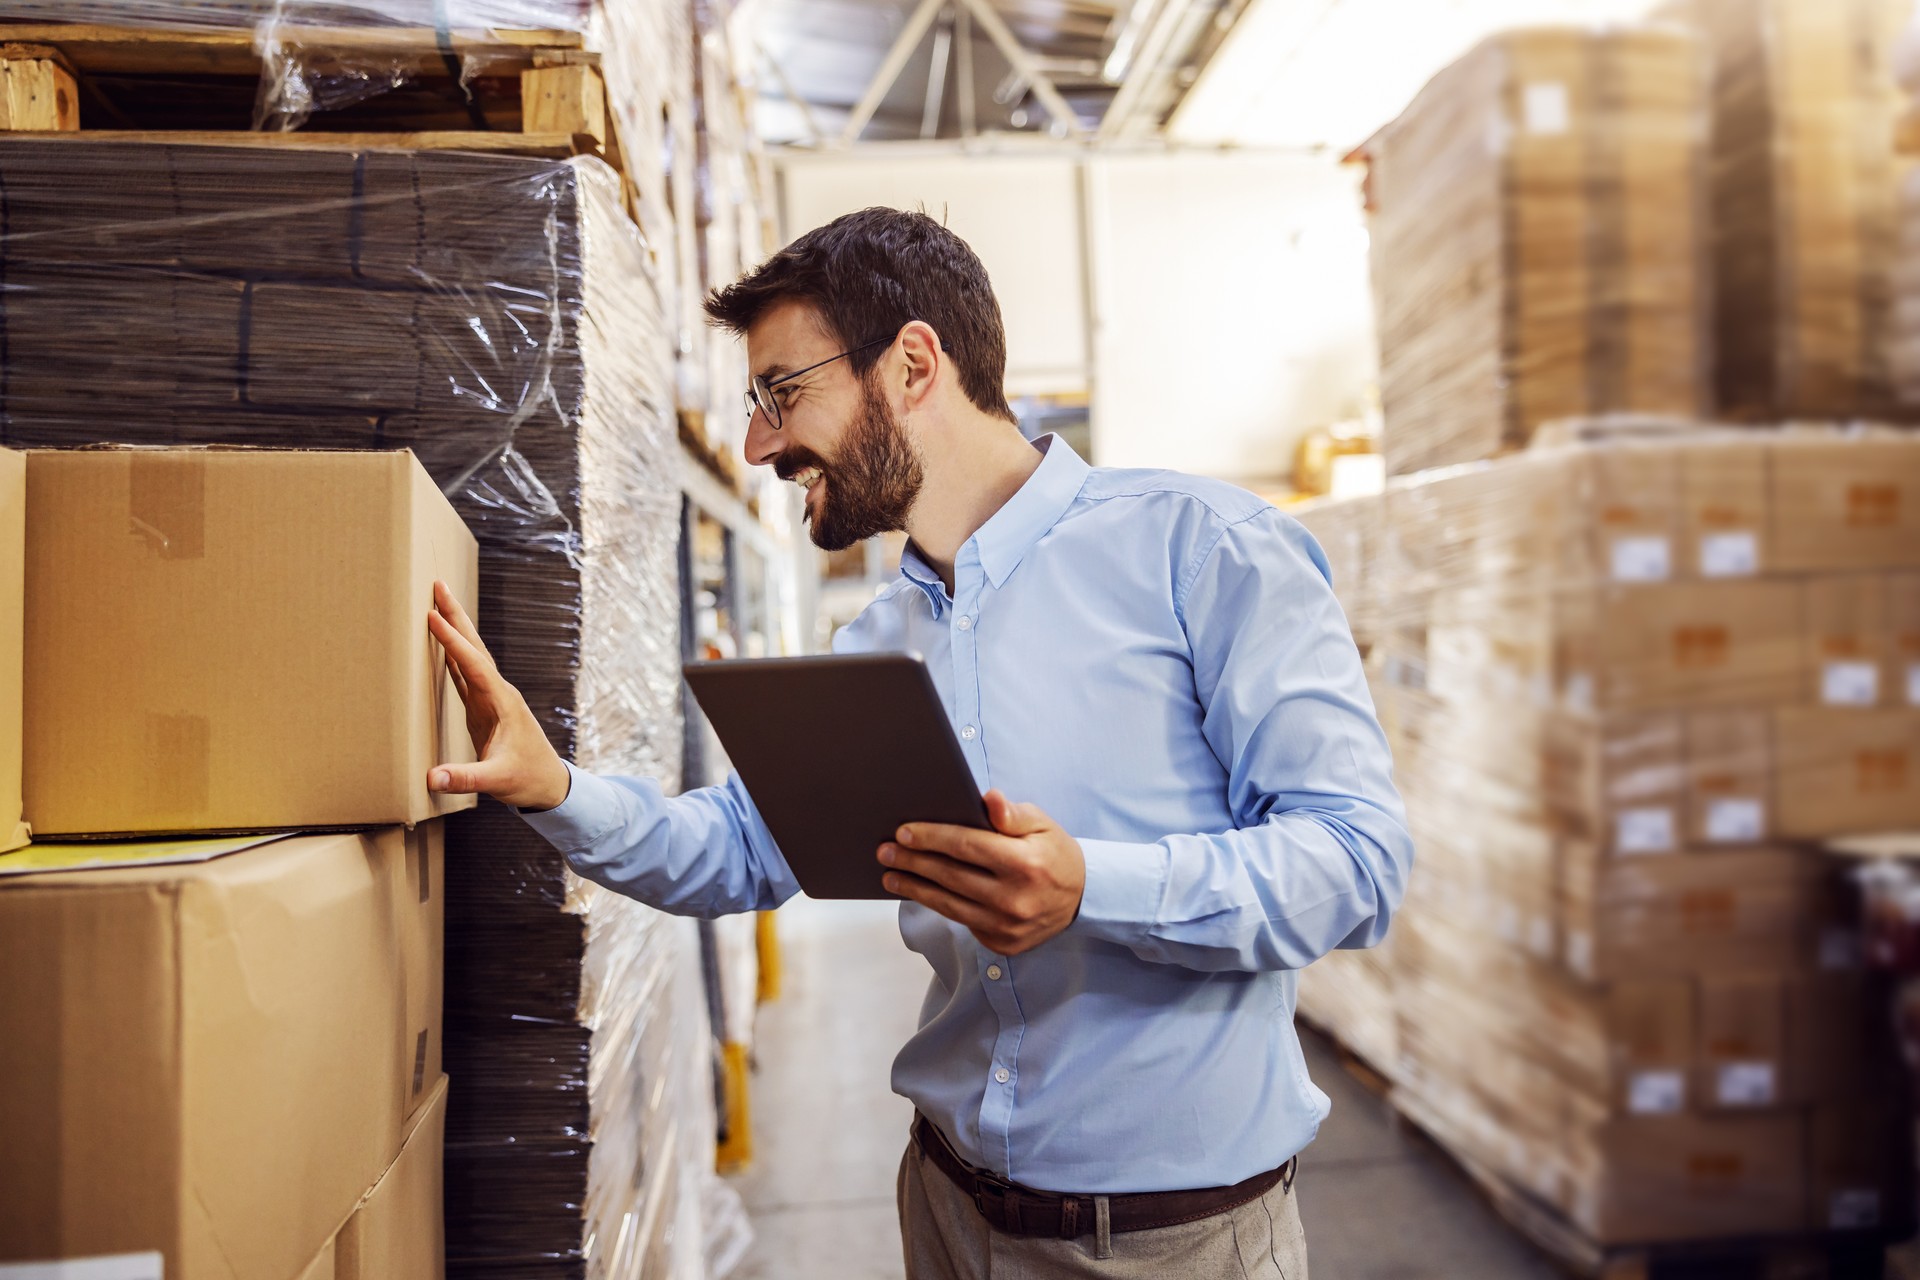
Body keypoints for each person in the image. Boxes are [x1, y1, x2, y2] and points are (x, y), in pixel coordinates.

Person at [425, 206, 1413, 1279]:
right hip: (946, 1215)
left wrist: (1093, 885)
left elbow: (1358, 863)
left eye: (780, 392)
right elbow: (737, 848)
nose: (759, 442)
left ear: (911, 363)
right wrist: (553, 784)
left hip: (1177, 1243)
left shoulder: (1205, 551)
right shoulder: (881, 639)